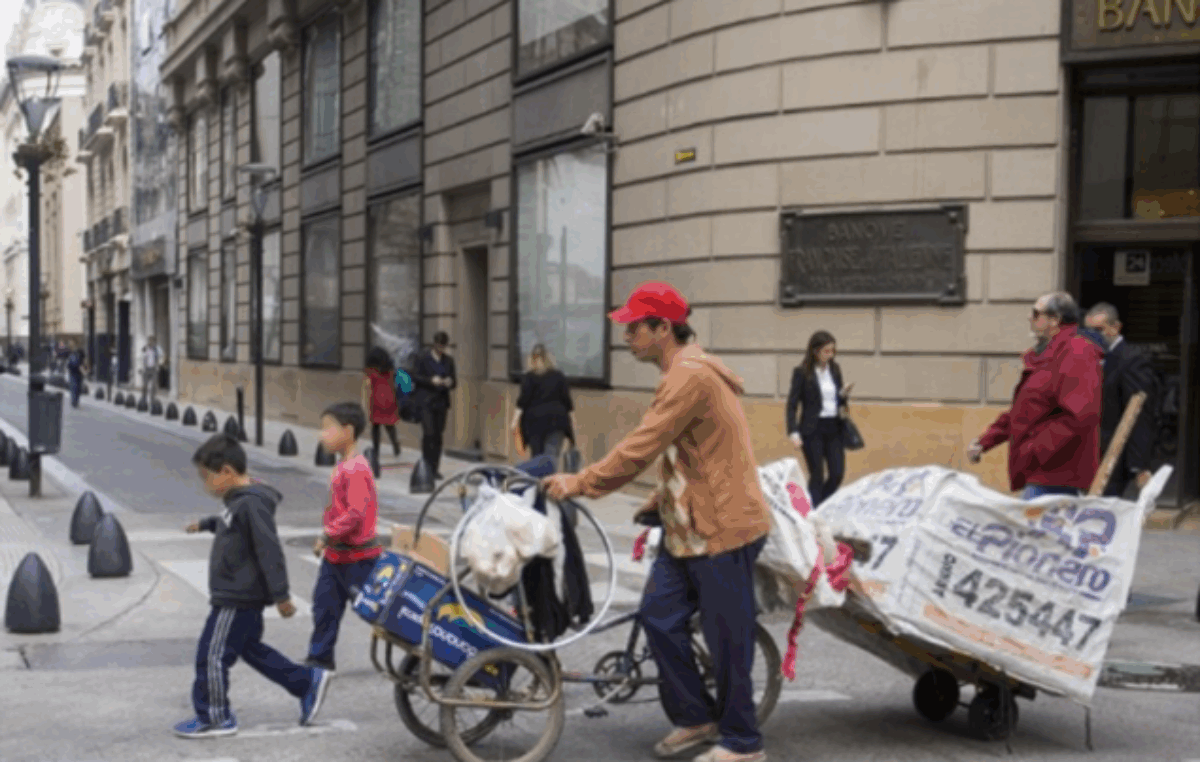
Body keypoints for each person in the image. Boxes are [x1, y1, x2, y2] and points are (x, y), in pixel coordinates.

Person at [544, 282, 771, 762]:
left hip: (723, 527)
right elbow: (686, 452)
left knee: (726, 637)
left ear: (663, 329)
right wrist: (659, 502)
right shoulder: (680, 371)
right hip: (689, 526)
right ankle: (696, 716)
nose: (626, 336)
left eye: (634, 327)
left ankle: (743, 743)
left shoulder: (690, 374)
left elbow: (640, 447)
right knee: (658, 615)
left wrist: (579, 482)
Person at [175, 434, 331, 738]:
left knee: (212, 655)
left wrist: (282, 596)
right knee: (250, 649)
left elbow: (268, 549)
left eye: (207, 477)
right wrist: (206, 524)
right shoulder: (238, 501)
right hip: (238, 594)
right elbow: (229, 523)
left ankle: (215, 717)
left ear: (228, 472)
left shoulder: (251, 504)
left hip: (236, 597)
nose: (205, 485)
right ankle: (304, 682)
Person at [967, 292, 1103, 499]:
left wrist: (1034, 450)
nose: (1030, 318)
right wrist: (985, 442)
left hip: (1059, 475)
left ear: (1054, 320)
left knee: (1030, 528)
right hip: (1042, 472)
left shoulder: (1077, 351)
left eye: (1036, 313)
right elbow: (1024, 411)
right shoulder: (1046, 354)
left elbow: (1080, 415)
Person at [307, 402, 383, 674]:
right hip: (337, 556)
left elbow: (356, 513)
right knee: (324, 607)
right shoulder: (344, 465)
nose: (321, 434)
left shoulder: (355, 469)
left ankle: (419, 645)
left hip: (359, 558)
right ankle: (319, 659)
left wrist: (327, 533)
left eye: (327, 428)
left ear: (348, 431)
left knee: (378, 611)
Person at [1084, 303, 1158, 498]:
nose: (1093, 336)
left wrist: (1138, 465)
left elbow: (1139, 412)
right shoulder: (1088, 358)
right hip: (1086, 455)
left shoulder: (1131, 359)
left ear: (1115, 327)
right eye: (1088, 331)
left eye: (1098, 330)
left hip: (1113, 458)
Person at [784, 331, 853, 507]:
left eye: (832, 351)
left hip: (834, 427)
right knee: (817, 475)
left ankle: (817, 507)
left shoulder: (835, 370)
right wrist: (793, 431)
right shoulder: (801, 372)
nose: (830, 355)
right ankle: (814, 516)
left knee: (837, 473)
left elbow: (838, 400)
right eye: (827, 351)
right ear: (815, 351)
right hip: (812, 429)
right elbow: (792, 404)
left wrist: (843, 394)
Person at [512, 344, 578, 466]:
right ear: (548, 358)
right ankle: (550, 482)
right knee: (551, 456)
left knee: (537, 458)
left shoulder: (529, 377)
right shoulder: (558, 376)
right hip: (557, 421)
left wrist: (514, 421)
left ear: (531, 359)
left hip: (534, 423)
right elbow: (567, 401)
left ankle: (540, 482)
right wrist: (573, 422)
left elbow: (522, 401)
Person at [411, 331, 457, 480]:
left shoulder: (449, 361)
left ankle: (435, 467)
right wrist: (431, 380)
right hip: (426, 402)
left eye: (443, 347)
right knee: (429, 433)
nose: (441, 350)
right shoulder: (423, 358)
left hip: (441, 402)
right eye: (439, 346)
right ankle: (426, 466)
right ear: (434, 344)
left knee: (438, 435)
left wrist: (449, 382)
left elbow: (454, 381)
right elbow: (415, 377)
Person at [362, 347, 402, 478]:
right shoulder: (390, 370)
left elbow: (367, 385)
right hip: (389, 399)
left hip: (377, 400)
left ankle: (376, 450)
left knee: (376, 427)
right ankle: (395, 444)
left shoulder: (371, 371)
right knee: (390, 425)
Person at [66, 344, 86, 408]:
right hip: (78, 373)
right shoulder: (80, 355)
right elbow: (82, 364)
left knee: (74, 387)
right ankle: (75, 401)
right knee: (77, 388)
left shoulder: (72, 355)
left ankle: (74, 401)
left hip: (73, 373)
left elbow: (69, 365)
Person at [142, 337, 162, 403]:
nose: (151, 343)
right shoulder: (146, 349)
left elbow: (159, 357)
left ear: (154, 342)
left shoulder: (156, 349)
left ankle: (152, 398)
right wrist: (143, 368)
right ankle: (144, 398)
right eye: (150, 341)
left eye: (152, 341)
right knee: (145, 385)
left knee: (153, 385)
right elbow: (143, 357)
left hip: (153, 369)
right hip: (147, 368)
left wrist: (158, 366)